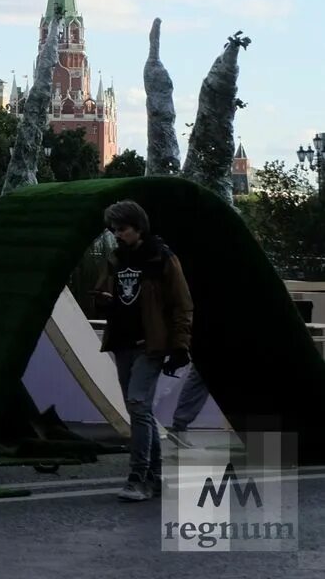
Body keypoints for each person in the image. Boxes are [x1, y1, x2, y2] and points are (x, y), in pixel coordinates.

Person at [92, 200, 193, 502]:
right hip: (122, 341)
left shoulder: (161, 258)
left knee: (137, 404)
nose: (116, 234)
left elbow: (182, 303)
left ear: (138, 227)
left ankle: (137, 477)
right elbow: (101, 291)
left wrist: (180, 345)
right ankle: (154, 477)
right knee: (141, 410)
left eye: (121, 229)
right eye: (113, 229)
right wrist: (103, 300)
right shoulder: (115, 258)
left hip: (150, 344)